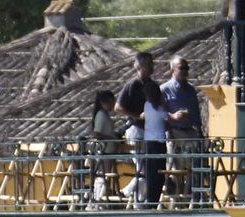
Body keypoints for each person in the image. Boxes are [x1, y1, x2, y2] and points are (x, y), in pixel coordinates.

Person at [114, 52, 159, 204]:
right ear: (141, 66)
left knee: (149, 168)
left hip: (150, 131)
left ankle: (137, 199)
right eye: (149, 64)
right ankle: (135, 198)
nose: (152, 66)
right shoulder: (132, 85)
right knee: (143, 167)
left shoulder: (153, 86)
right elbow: (118, 107)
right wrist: (137, 116)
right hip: (136, 129)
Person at [86, 90, 121, 208]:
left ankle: (98, 200)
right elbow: (97, 134)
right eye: (110, 102)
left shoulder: (103, 115)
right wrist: (111, 138)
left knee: (103, 176)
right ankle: (97, 200)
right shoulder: (101, 115)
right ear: (103, 102)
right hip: (104, 151)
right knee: (102, 176)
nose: (112, 105)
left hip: (107, 150)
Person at [158, 56, 202, 139]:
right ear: (172, 70)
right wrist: (173, 116)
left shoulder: (191, 89)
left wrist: (199, 131)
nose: (185, 71)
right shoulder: (164, 89)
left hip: (191, 132)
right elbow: (159, 112)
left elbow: (196, 111)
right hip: (173, 132)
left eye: (186, 68)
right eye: (181, 68)